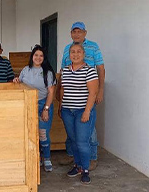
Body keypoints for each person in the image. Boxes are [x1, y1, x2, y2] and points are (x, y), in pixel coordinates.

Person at [59, 21, 105, 170]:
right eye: (74, 32)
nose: (76, 34)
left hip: (88, 95)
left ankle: (91, 158)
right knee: (72, 130)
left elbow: (100, 68)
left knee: (88, 129)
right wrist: (60, 96)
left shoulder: (93, 46)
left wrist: (100, 90)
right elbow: (63, 69)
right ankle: (73, 156)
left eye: (79, 31)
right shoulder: (67, 48)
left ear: (85, 33)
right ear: (71, 33)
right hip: (70, 100)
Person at [59, 42, 98, 184]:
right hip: (67, 111)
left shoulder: (89, 70)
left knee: (82, 142)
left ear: (83, 54)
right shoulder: (65, 70)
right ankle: (77, 165)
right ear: (69, 55)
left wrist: (87, 111)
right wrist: (61, 107)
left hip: (82, 110)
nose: (75, 54)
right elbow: (63, 89)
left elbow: (93, 93)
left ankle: (85, 169)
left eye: (78, 52)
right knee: (74, 140)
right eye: (73, 52)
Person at [13, 45, 56, 172]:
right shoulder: (26, 70)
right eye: (36, 55)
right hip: (28, 105)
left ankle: (46, 158)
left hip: (43, 104)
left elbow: (51, 92)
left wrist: (46, 109)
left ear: (44, 58)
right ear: (32, 57)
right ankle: (36, 157)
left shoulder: (48, 72)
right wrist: (16, 80)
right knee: (31, 133)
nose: (38, 58)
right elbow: (19, 83)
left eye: (41, 56)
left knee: (43, 134)